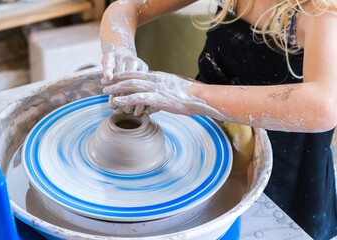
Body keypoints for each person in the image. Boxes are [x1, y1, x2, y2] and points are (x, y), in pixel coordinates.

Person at [99, 0, 337, 239]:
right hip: (207, 159)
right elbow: (126, 7)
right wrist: (121, 53)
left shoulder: (321, 9)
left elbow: (323, 105)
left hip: (284, 179)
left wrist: (190, 95)